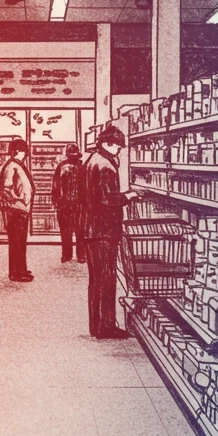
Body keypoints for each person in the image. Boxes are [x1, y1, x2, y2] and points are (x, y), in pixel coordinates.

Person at [79, 125, 134, 338]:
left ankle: (97, 325)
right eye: (117, 147)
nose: (119, 151)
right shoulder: (105, 166)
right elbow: (106, 198)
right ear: (107, 144)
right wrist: (128, 197)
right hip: (103, 230)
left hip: (91, 229)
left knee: (97, 279)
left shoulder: (91, 160)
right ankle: (106, 327)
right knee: (106, 278)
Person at [0, 137, 34, 282]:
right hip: (15, 210)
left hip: (21, 209)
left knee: (20, 242)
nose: (25, 154)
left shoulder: (17, 164)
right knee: (16, 242)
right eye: (23, 151)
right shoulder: (11, 166)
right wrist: (18, 201)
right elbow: (5, 190)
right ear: (17, 151)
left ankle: (21, 269)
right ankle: (16, 274)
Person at [52, 143, 84, 263]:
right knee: (77, 231)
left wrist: (56, 201)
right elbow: (56, 185)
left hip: (67, 204)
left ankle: (68, 255)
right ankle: (78, 255)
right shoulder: (82, 166)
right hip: (74, 204)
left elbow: (55, 186)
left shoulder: (62, 166)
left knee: (69, 231)